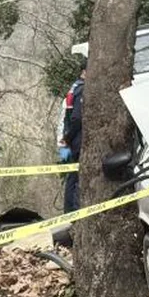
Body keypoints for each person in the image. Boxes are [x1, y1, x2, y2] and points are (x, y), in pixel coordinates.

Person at [59, 59, 85, 213]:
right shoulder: (81, 89)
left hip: (67, 138)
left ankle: (69, 210)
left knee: (71, 175)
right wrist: (68, 138)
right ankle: (72, 211)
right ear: (84, 71)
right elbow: (76, 118)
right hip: (74, 139)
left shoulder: (73, 87)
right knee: (75, 177)